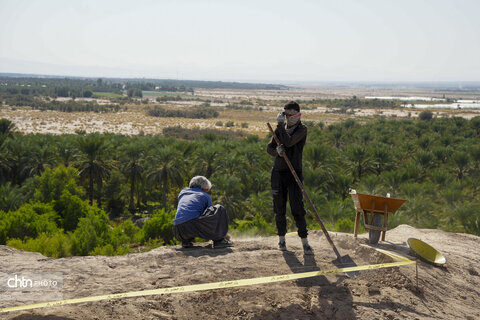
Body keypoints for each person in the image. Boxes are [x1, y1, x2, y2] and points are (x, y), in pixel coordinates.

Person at [267, 101, 313, 255]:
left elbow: (289, 141)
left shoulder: (302, 129)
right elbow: (269, 148)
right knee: (279, 208)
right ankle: (281, 240)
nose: (288, 117)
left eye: (291, 114)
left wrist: (280, 126)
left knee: (297, 207)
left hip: (294, 173)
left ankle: (305, 242)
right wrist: (277, 152)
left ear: (298, 114)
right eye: (286, 114)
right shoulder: (280, 128)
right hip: (278, 173)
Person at [173, 176, 233, 249]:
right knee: (219, 209)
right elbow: (210, 217)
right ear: (203, 187)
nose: (207, 191)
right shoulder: (204, 196)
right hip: (191, 226)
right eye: (207, 189)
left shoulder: (182, 192)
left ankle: (186, 242)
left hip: (178, 231)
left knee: (189, 217)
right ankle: (219, 241)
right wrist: (222, 234)